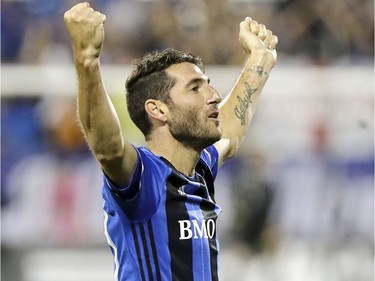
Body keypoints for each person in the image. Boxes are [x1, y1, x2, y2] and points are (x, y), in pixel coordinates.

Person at [64, 2, 277, 281]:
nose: (213, 94)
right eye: (195, 88)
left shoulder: (199, 169)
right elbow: (107, 148)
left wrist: (260, 60)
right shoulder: (144, 177)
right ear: (158, 110)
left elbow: (231, 132)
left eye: (207, 84)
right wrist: (87, 58)